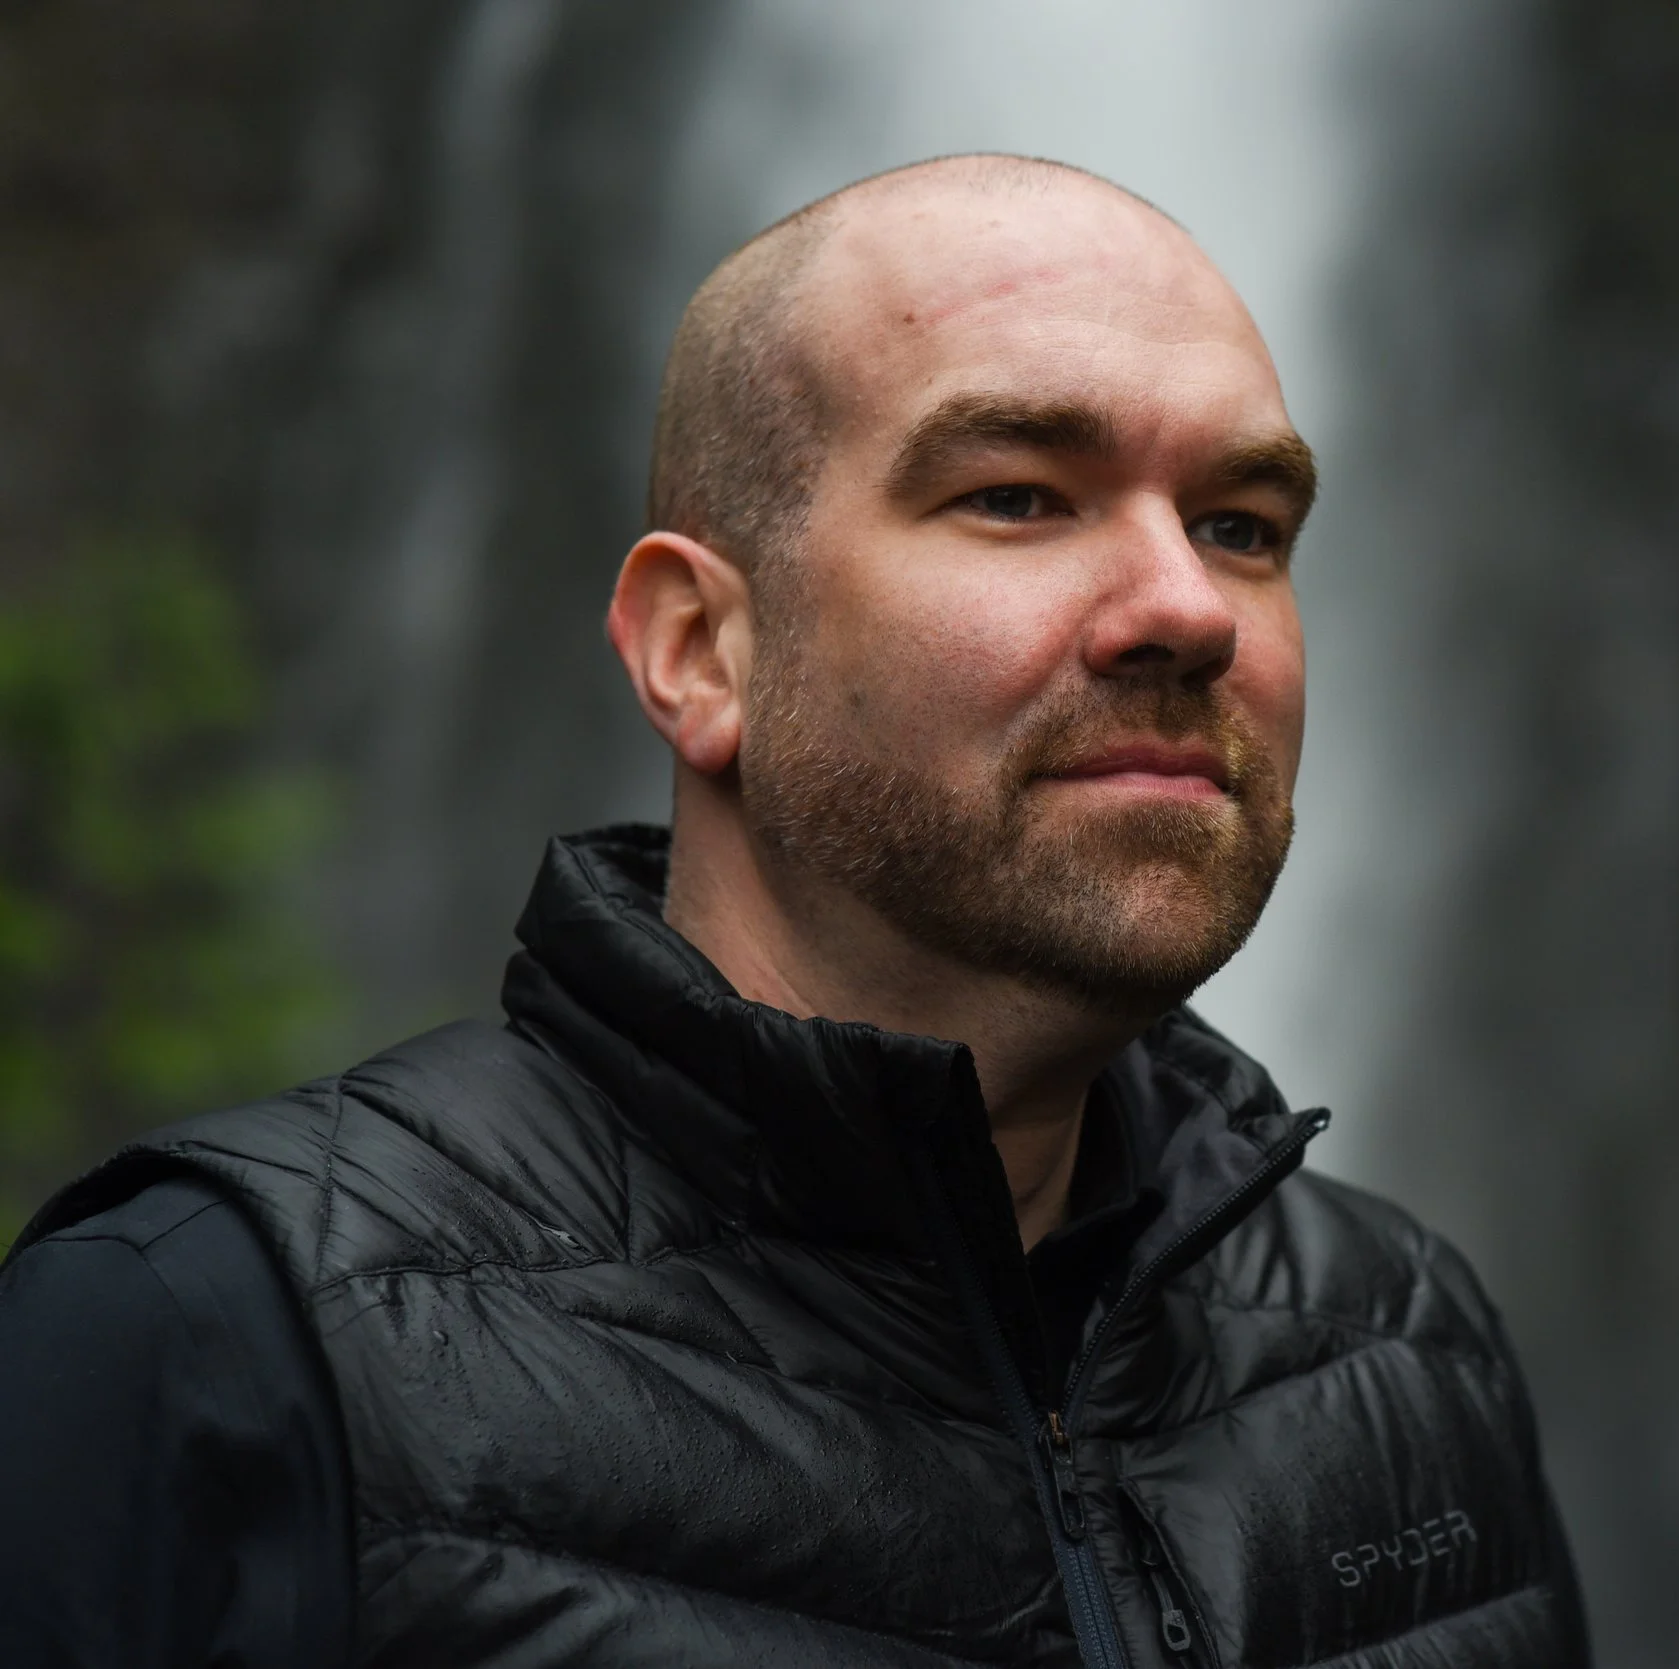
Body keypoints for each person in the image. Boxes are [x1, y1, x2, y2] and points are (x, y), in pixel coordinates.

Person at [0, 155, 1588, 1668]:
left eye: (1242, 525)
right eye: (1023, 496)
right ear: (698, 648)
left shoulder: (1409, 1357)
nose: (1185, 607)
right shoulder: (211, 1333)